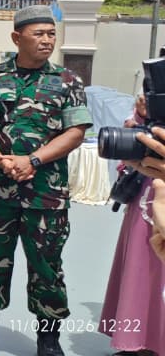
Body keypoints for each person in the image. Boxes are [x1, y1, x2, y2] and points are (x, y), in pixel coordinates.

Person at [0, 5, 92, 356]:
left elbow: (76, 131)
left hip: (46, 195)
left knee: (47, 266)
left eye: (51, 34)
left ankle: (48, 337)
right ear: (17, 38)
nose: (47, 40)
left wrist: (33, 159)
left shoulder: (67, 81)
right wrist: (0, 159)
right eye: (39, 34)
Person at [100, 97, 165, 356]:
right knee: (139, 267)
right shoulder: (156, 92)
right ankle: (135, 341)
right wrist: (141, 117)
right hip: (148, 191)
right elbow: (129, 145)